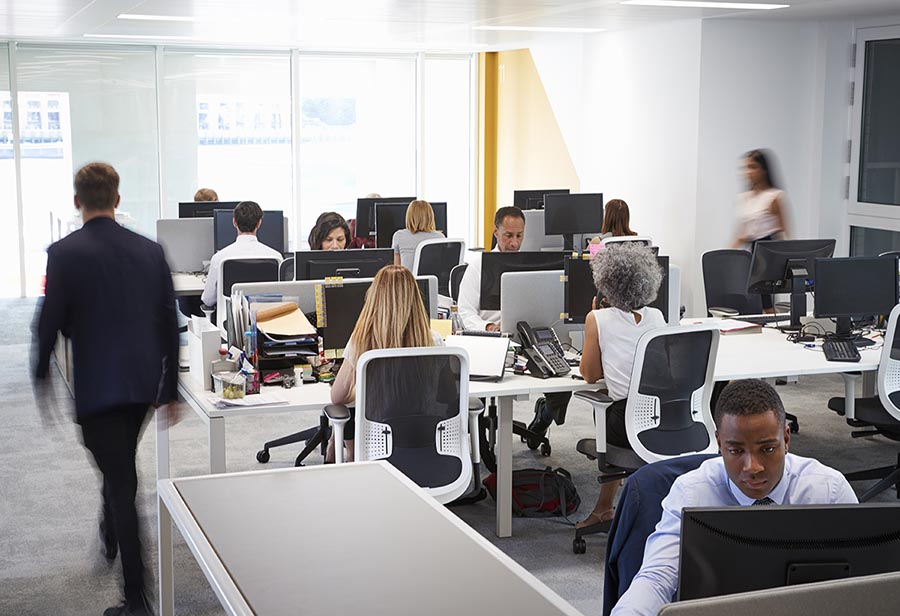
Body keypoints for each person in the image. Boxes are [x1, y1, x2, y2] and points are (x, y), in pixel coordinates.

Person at [33, 162, 180, 616]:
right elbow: (168, 324)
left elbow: (49, 323)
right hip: (140, 386)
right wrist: (169, 386)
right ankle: (110, 529)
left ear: (77, 202)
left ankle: (137, 600)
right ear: (117, 200)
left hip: (98, 387)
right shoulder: (150, 250)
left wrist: (40, 376)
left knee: (122, 486)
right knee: (118, 468)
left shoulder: (63, 253)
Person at [611, 379, 858, 616]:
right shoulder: (692, 493)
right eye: (736, 451)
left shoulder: (828, 491)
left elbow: (867, 581)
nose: (752, 467)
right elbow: (657, 578)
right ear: (719, 443)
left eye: (768, 449)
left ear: (786, 438)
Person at [457, 206, 571, 440]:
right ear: (496, 232)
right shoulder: (478, 265)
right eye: (509, 235)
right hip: (492, 342)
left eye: (519, 236)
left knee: (564, 378)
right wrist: (488, 328)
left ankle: (542, 420)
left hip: (526, 338)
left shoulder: (529, 264)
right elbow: (465, 311)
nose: (514, 243)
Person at [576, 242, 667, 530]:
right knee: (614, 400)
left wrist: (593, 326)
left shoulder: (598, 318)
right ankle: (606, 507)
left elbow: (589, 374)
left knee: (605, 403)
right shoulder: (658, 317)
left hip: (627, 423)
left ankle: (604, 507)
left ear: (606, 283)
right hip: (662, 418)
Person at [329, 265, 443, 462]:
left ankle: (344, 453)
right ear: (416, 299)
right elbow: (447, 394)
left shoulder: (361, 342)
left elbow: (337, 397)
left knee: (347, 406)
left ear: (374, 298)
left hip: (377, 448)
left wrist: (362, 388)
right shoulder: (433, 340)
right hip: (428, 443)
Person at [731, 149, 789, 312]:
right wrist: (727, 255)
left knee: (766, 305)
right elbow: (742, 232)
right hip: (749, 252)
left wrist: (785, 264)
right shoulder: (745, 197)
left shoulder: (774, 196)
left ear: (764, 170)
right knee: (746, 300)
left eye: (753, 167)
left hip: (767, 253)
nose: (748, 172)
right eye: (745, 167)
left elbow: (783, 232)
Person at [200, 201, 283, 308]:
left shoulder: (220, 257)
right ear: (259, 223)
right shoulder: (276, 257)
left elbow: (208, 300)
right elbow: (281, 297)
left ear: (234, 222)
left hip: (230, 322)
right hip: (265, 318)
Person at [392, 199, 445, 270]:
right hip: (432, 280)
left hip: (408, 280)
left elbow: (397, 269)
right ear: (430, 216)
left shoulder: (399, 236)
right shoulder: (440, 237)